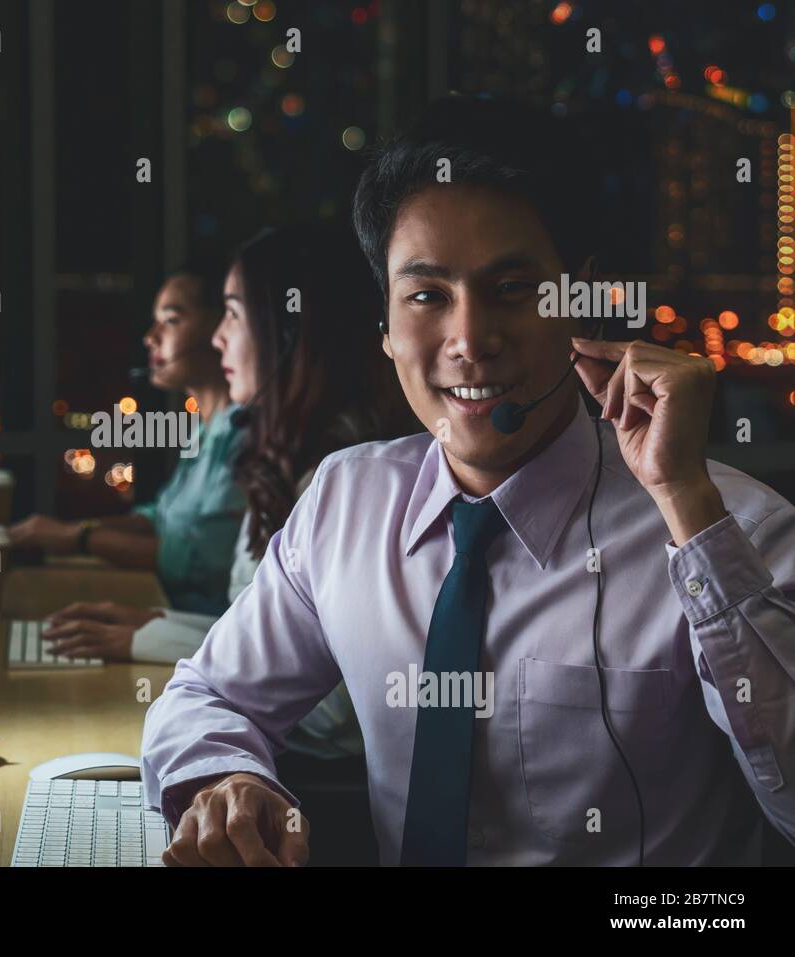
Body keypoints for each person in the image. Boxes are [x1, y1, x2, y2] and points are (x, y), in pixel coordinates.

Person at [140, 96, 795, 867]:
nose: (469, 340)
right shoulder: (347, 502)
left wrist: (688, 507)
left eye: (511, 288)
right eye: (427, 296)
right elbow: (208, 694)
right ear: (385, 325)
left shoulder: (734, 531)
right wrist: (230, 779)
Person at [45, 225, 411, 864]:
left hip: (309, 802)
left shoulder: (347, 480)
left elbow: (332, 709)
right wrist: (157, 627)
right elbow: (276, 643)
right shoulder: (285, 457)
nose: (218, 338)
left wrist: (155, 636)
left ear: (288, 333)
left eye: (233, 315)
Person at [7, 262, 246, 615]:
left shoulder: (244, 435)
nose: (150, 337)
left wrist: (78, 539)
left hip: (200, 629)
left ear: (219, 327)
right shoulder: (204, 428)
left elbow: (203, 561)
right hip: (167, 612)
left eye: (171, 320)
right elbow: (159, 518)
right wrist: (70, 530)